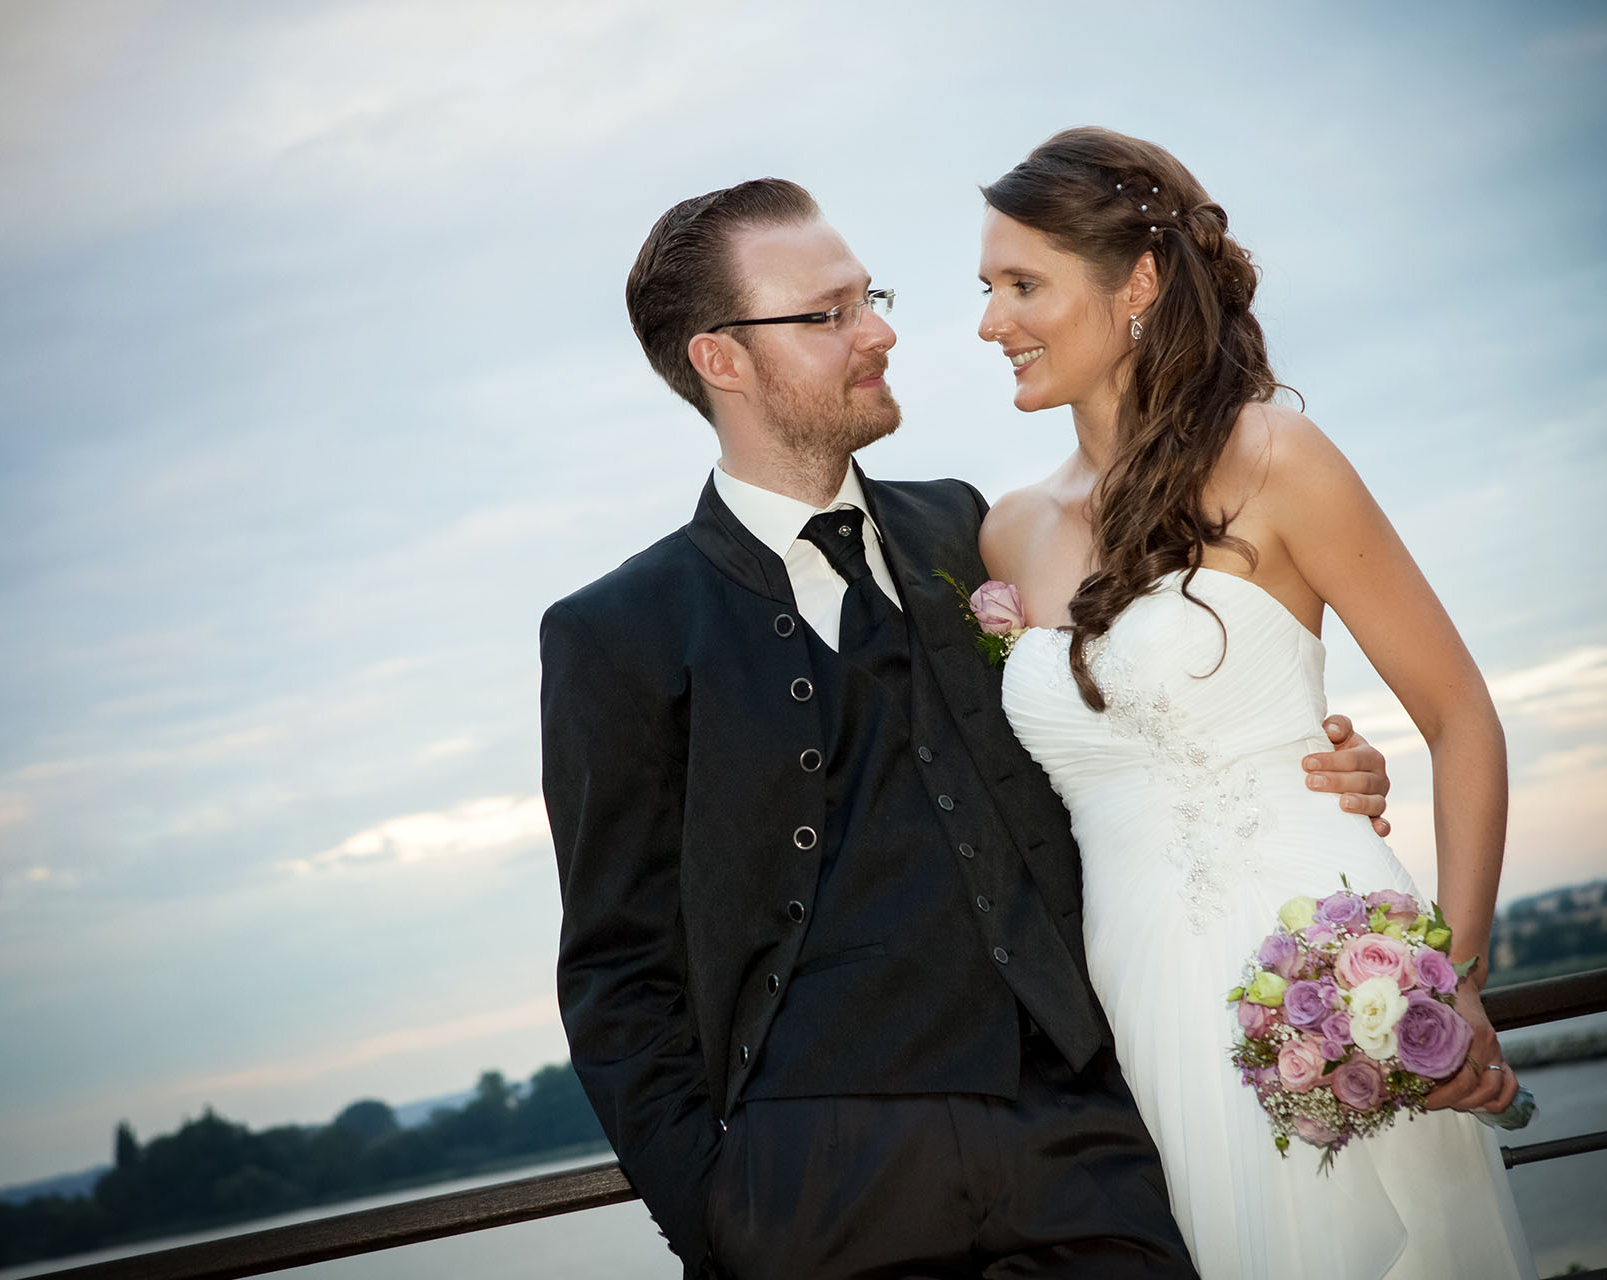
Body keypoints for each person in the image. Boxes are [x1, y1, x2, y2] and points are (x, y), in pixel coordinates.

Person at [539, 176, 1392, 1279]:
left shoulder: (968, 529)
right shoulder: (615, 632)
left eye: (871, 298)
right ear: (721, 359)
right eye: (830, 314)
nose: (879, 332)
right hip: (813, 1185)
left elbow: (1122, 728)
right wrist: (717, 1216)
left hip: (1077, 1137)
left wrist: (1300, 763)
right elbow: (615, 968)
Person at [979, 127, 1535, 1280]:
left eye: (1023, 285)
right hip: (1133, 993)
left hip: (1320, 976)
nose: (992, 323)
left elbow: (1460, 717)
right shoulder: (1007, 532)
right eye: (986, 289)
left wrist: (1457, 978)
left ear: (1137, 282)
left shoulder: (1275, 456)